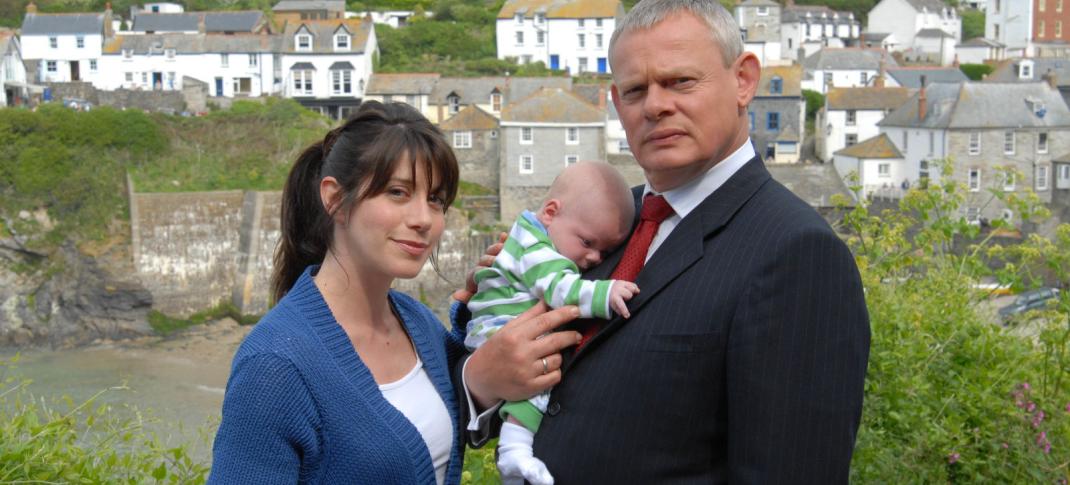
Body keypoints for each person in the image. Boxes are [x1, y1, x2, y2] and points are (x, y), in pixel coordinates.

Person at [458, 0, 872, 482]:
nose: (656, 105)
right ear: (616, 103)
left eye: (680, 81)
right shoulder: (600, 224)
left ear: (743, 80)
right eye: (636, 90)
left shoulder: (798, 254)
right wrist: (480, 378)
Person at [208, 101, 583, 484]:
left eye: (435, 199)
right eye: (398, 192)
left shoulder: (417, 322)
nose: (423, 219)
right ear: (335, 199)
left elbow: (456, 405)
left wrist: (494, 306)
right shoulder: (274, 366)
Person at [465, 162, 638, 485]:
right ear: (550, 213)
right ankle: (514, 452)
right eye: (588, 243)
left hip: (493, 326)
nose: (594, 259)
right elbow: (562, 291)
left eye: (605, 251)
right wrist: (606, 293)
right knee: (539, 376)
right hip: (498, 332)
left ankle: (514, 456)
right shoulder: (538, 249)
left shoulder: (533, 236)